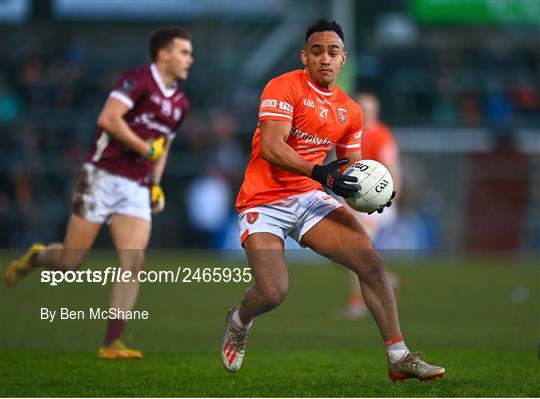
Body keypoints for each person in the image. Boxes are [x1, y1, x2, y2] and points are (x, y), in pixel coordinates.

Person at [220, 19, 444, 382]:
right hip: (263, 201)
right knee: (273, 292)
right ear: (305, 56)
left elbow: (355, 169)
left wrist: (372, 193)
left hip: (308, 197)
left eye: (333, 52)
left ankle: (398, 355)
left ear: (344, 60)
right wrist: (321, 174)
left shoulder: (350, 110)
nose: (325, 58)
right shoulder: (282, 87)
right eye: (318, 51)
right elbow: (272, 147)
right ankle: (239, 319)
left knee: (370, 262)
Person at [4, 26, 193, 359]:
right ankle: (35, 257)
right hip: (100, 176)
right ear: (163, 54)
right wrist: (142, 148)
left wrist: (156, 183)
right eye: (184, 52)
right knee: (70, 261)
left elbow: (164, 147)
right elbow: (108, 118)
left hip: (136, 185)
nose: (190, 59)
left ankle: (111, 343)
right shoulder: (136, 81)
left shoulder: (180, 103)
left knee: (134, 262)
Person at [341, 93, 402, 319]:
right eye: (362, 108)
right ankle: (387, 279)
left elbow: (393, 168)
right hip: (353, 200)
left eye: (369, 109)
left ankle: (357, 302)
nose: (365, 113)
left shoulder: (381, 136)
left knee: (354, 249)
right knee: (338, 252)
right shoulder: (350, 132)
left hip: (374, 203)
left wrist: (391, 200)